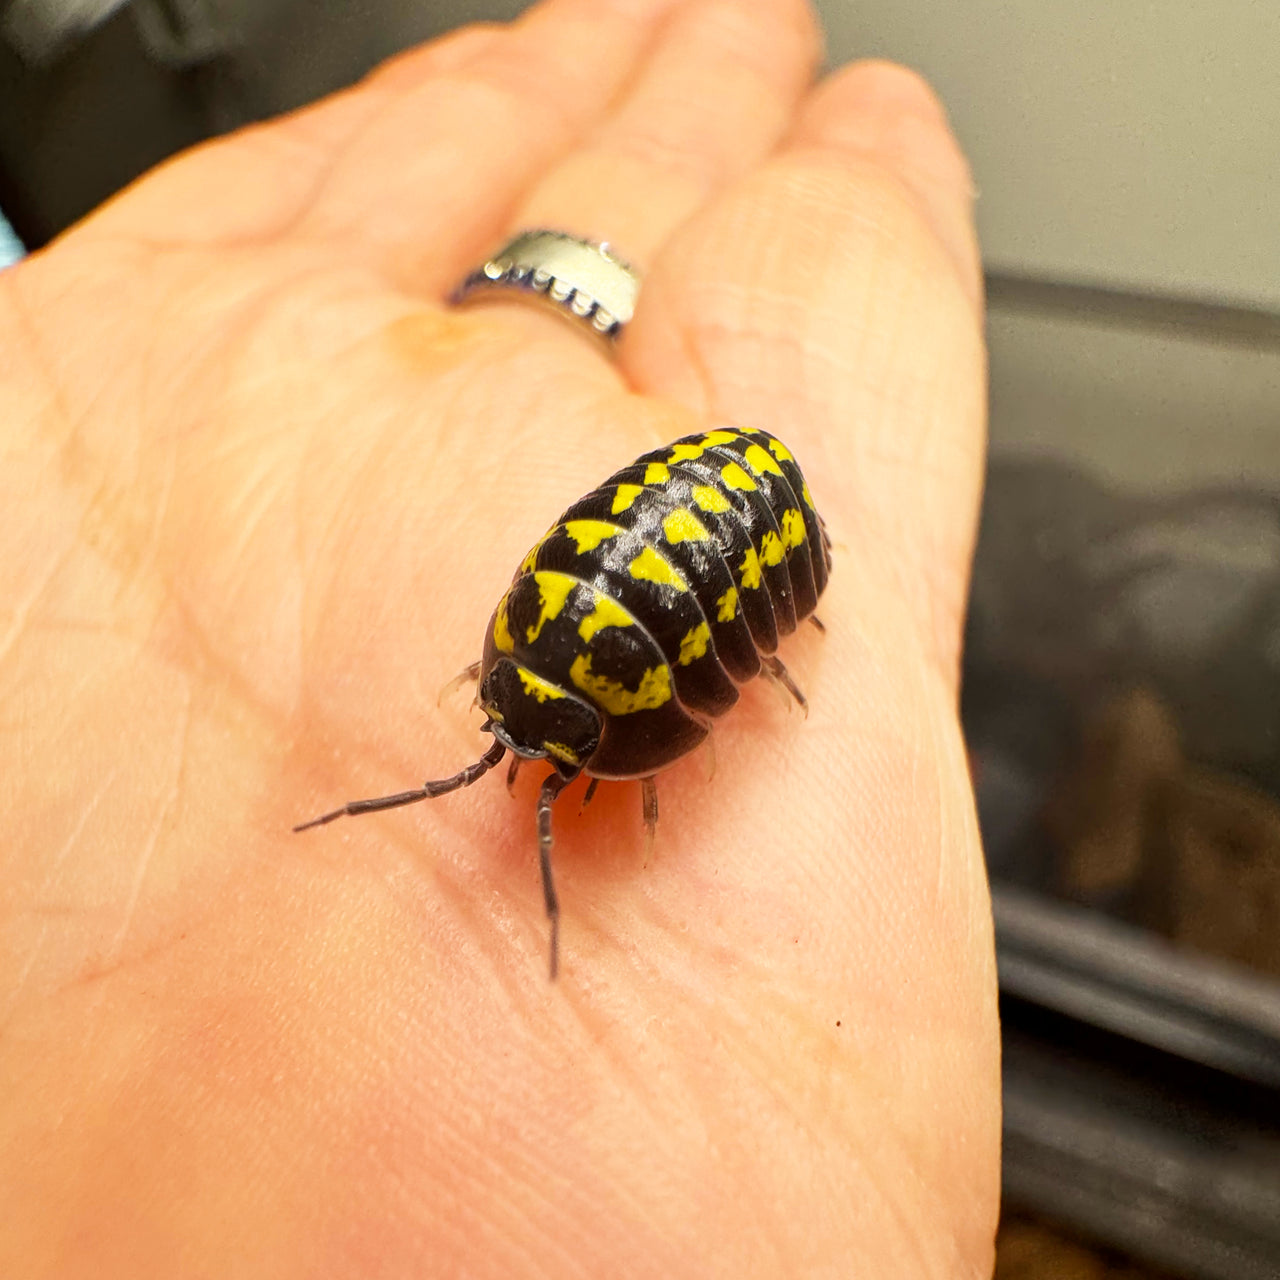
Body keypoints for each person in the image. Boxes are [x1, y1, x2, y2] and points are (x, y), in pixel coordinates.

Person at [0, 0, 998, 1273]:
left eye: (536, 726)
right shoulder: (555, 658)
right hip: (714, 500)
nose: (523, 757)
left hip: (736, 504)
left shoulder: (620, 662)